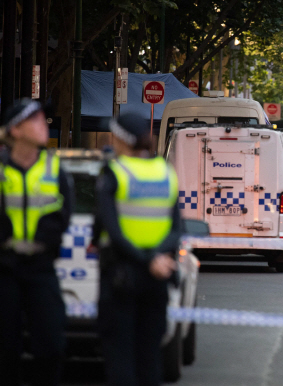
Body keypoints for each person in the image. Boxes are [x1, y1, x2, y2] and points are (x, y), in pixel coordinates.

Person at [95, 112, 181, 386]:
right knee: (149, 358)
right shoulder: (165, 173)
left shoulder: (115, 173)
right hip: (157, 277)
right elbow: (177, 229)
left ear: (120, 139)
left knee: (120, 355)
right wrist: (156, 258)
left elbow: (113, 232)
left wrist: (144, 259)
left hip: (122, 275)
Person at [0, 100, 73, 386]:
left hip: (42, 269)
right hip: (4, 270)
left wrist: (43, 243)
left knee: (52, 346)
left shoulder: (54, 169)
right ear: (16, 130)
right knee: (5, 350)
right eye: (35, 119)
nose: (44, 124)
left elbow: (62, 215)